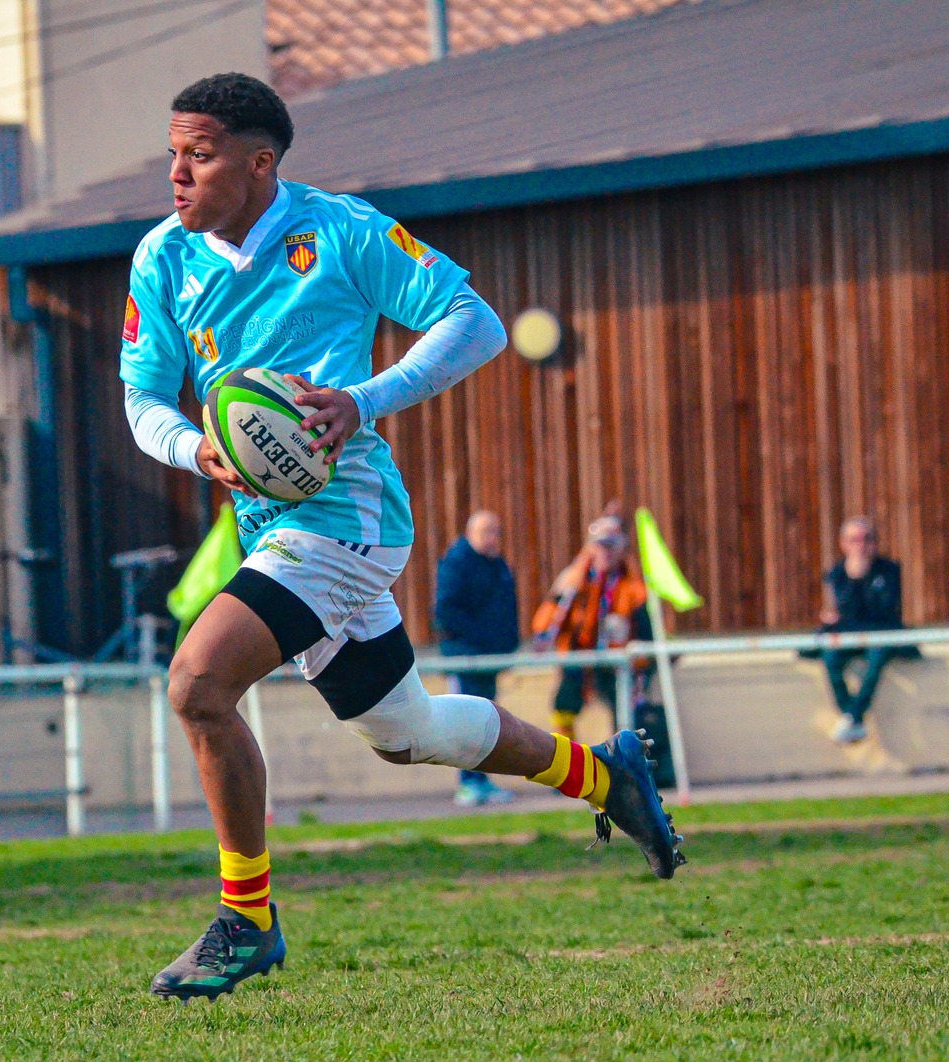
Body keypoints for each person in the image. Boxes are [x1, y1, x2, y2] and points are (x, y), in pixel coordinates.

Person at [121, 73, 682, 999]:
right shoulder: (160, 258)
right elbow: (143, 399)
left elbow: (476, 323)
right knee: (407, 731)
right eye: (173, 153)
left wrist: (364, 400)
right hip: (267, 525)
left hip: (344, 519)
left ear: (261, 163)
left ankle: (246, 921)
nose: (177, 173)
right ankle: (605, 775)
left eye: (201, 154)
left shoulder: (341, 230)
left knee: (198, 686)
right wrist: (196, 450)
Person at [531, 512, 649, 740]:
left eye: (611, 546)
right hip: (580, 656)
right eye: (600, 546)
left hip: (616, 662)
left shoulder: (632, 584)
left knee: (626, 713)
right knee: (563, 705)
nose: (605, 552)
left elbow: (646, 629)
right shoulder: (575, 580)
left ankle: (622, 762)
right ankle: (569, 760)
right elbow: (546, 622)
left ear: (621, 549)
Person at [434, 510, 520, 806]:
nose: (494, 538)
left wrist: (506, 644)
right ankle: (468, 782)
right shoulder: (458, 564)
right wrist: (484, 640)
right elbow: (446, 613)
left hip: (488, 660)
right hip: (466, 660)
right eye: (488, 531)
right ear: (472, 533)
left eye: (497, 531)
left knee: (487, 722)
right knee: (464, 721)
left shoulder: (496, 566)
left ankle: (481, 779)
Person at [818, 517, 906, 743]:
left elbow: (884, 610)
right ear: (843, 544)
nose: (861, 546)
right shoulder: (837, 574)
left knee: (877, 658)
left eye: (867, 539)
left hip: (878, 636)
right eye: (854, 540)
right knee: (830, 656)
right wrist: (853, 580)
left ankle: (852, 717)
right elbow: (839, 610)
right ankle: (853, 717)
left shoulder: (889, 570)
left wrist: (861, 578)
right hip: (849, 638)